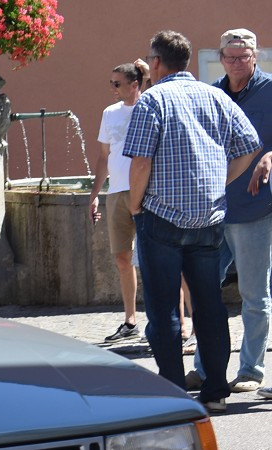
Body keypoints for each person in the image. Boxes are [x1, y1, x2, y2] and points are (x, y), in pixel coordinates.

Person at [123, 30, 261, 413]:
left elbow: (140, 162)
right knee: (210, 305)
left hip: (161, 217)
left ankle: (172, 393)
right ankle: (216, 390)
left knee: (165, 308)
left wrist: (136, 205)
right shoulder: (215, 95)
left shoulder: (152, 100)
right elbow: (250, 146)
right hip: (208, 218)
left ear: (155, 62)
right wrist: (220, 183)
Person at [197, 29, 272, 397]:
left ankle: (251, 369)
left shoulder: (271, 89)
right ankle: (204, 367)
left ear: (255, 56)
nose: (237, 62)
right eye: (230, 56)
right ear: (221, 57)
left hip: (256, 207)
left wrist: (271, 156)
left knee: (254, 295)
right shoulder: (212, 93)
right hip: (214, 208)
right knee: (205, 290)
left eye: (243, 56)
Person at [90, 62, 146, 343]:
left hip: (146, 191)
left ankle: (184, 322)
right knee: (122, 257)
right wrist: (95, 195)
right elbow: (104, 156)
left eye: (117, 83)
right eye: (111, 83)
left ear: (134, 84)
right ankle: (130, 320)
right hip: (116, 193)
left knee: (165, 258)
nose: (112, 88)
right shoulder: (109, 113)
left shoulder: (150, 105)